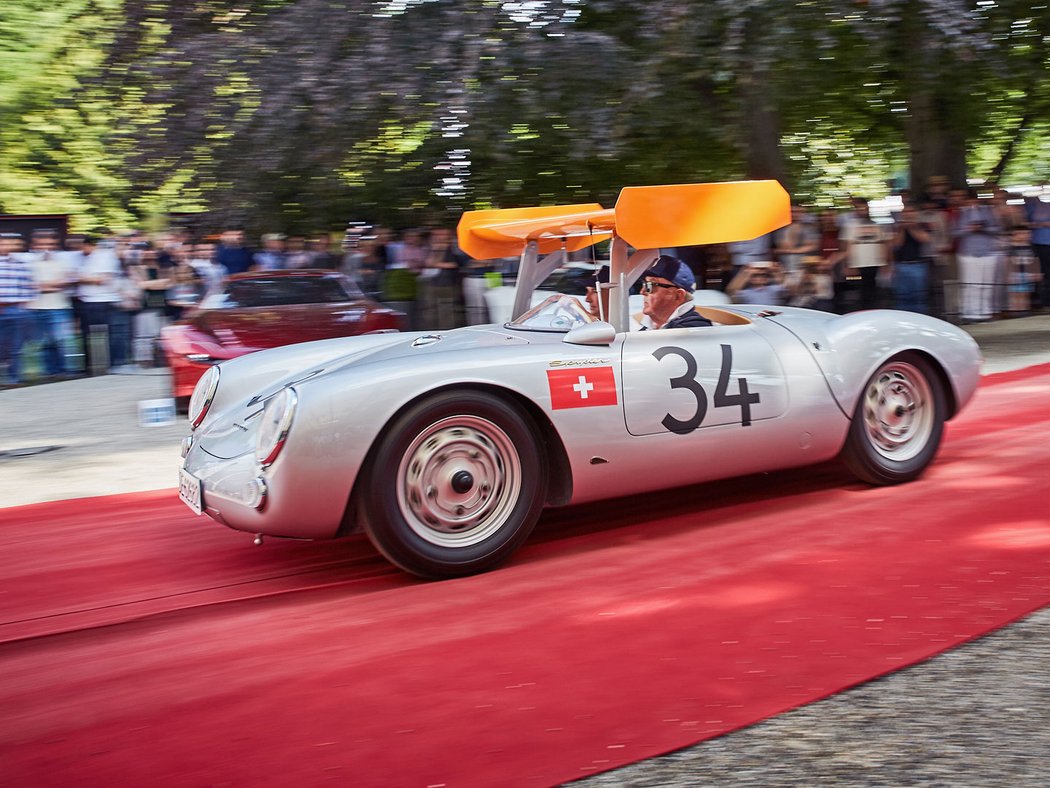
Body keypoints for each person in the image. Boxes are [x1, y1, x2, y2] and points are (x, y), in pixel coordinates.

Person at [25, 229, 77, 377]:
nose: (47, 247)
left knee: (62, 340)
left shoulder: (63, 260)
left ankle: (65, 370)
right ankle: (50, 372)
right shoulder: (27, 261)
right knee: (43, 342)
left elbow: (68, 281)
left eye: (51, 243)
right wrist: (52, 285)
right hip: (35, 307)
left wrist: (43, 285)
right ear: (34, 245)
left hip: (60, 306)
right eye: (42, 244)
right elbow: (29, 284)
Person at [0, 233, 38, 385]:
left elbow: (28, 290)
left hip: (14, 310)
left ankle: (13, 378)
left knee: (15, 347)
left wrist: (20, 308)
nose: (6, 247)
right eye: (3, 243)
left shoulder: (20, 264)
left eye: (10, 244)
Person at [839, 198, 889, 310]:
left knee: (872, 292)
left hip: (873, 263)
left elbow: (882, 243)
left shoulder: (876, 225)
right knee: (857, 294)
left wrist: (885, 262)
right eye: (860, 209)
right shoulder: (850, 225)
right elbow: (845, 246)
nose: (863, 211)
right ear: (856, 210)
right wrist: (847, 264)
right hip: (857, 264)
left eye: (865, 209)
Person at [638, 255, 712, 329]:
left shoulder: (694, 329)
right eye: (644, 284)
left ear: (678, 295)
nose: (642, 291)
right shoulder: (646, 326)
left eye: (650, 285)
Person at [891, 204, 933, 313]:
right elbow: (897, 244)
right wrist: (902, 229)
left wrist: (912, 227)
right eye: (905, 212)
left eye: (911, 211)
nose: (908, 214)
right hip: (901, 265)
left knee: (919, 296)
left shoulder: (922, 225)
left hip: (918, 265)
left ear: (916, 213)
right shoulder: (898, 227)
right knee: (902, 297)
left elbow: (924, 239)